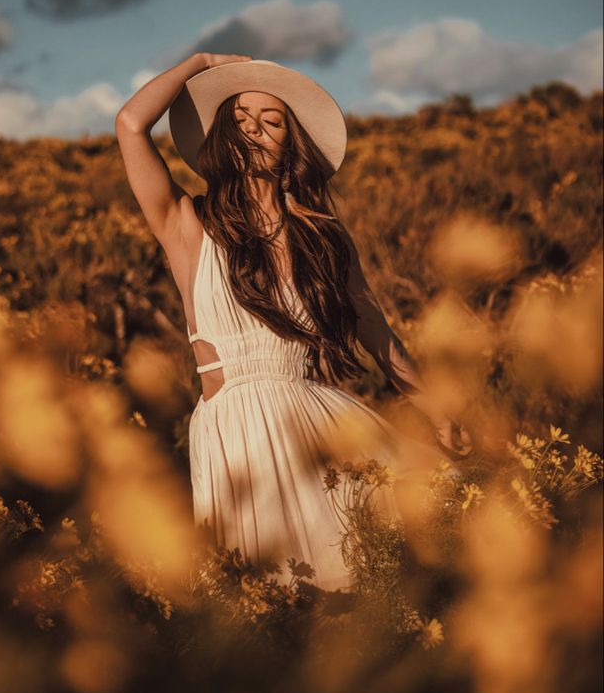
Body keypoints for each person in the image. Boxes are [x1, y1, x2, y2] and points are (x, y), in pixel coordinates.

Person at [115, 52, 472, 591]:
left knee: (368, 572)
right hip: (233, 431)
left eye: (272, 120)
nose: (254, 129)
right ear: (221, 137)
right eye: (239, 118)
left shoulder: (323, 235)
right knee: (267, 599)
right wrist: (201, 63)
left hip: (315, 423)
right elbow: (130, 124)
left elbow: (373, 327)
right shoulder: (187, 223)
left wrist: (432, 404)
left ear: (291, 141)